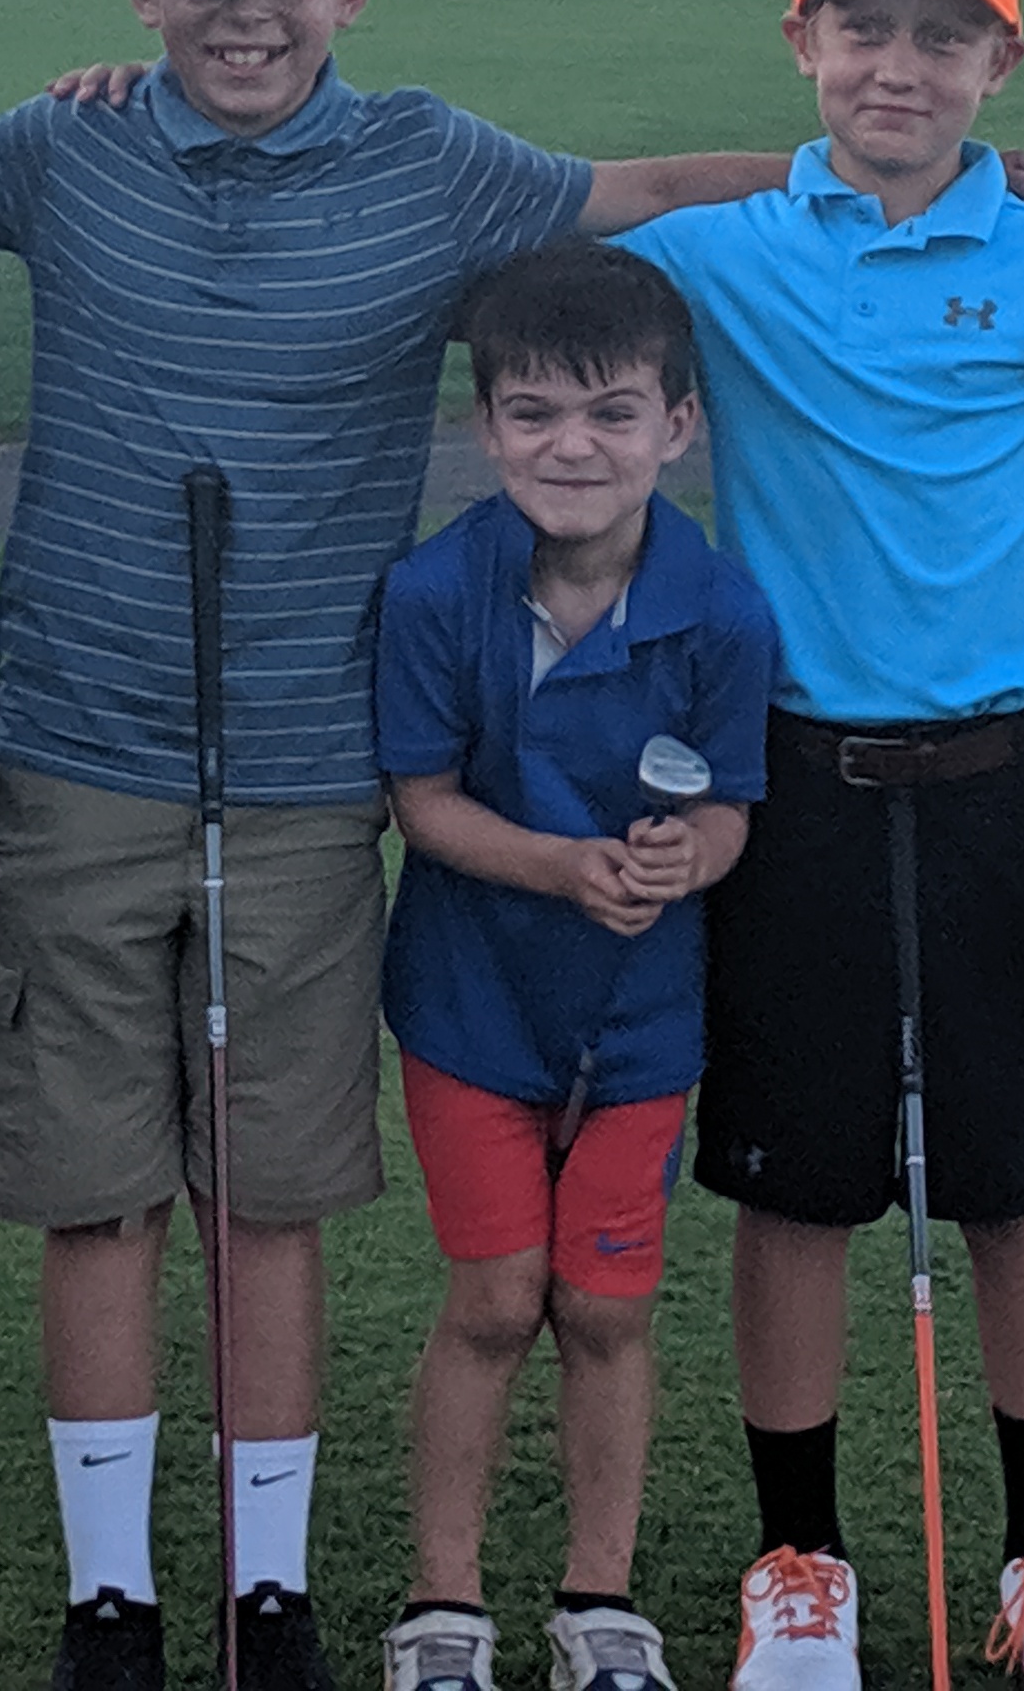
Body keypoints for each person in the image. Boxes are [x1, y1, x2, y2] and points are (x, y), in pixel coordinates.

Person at [0, 0, 810, 1691]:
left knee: (269, 1195)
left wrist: (915, 178)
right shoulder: (60, 144)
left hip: (307, 780)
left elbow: (649, 191)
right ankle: (115, 1600)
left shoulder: (433, 164)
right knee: (99, 1194)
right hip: (83, 751)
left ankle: (268, 1597)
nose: (244, 12)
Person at [620, 0, 1024, 1691]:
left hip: (1008, 788)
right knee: (796, 1189)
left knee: (1022, 1186)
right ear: (802, 40)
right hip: (797, 789)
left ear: (1004, 59)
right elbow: (531, 222)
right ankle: (802, 1566)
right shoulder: (726, 255)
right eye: (862, 25)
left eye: (945, 34)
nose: (901, 66)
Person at [373, 244, 774, 1691]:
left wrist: (689, 863)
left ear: (678, 425)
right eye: (534, 413)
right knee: (492, 1302)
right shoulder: (437, 592)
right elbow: (422, 802)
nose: (573, 447)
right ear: (484, 430)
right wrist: (564, 866)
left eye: (613, 413)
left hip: (642, 1026)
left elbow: (728, 807)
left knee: (604, 1308)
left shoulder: (720, 610)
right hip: (471, 1011)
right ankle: (445, 1607)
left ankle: (601, 1604)